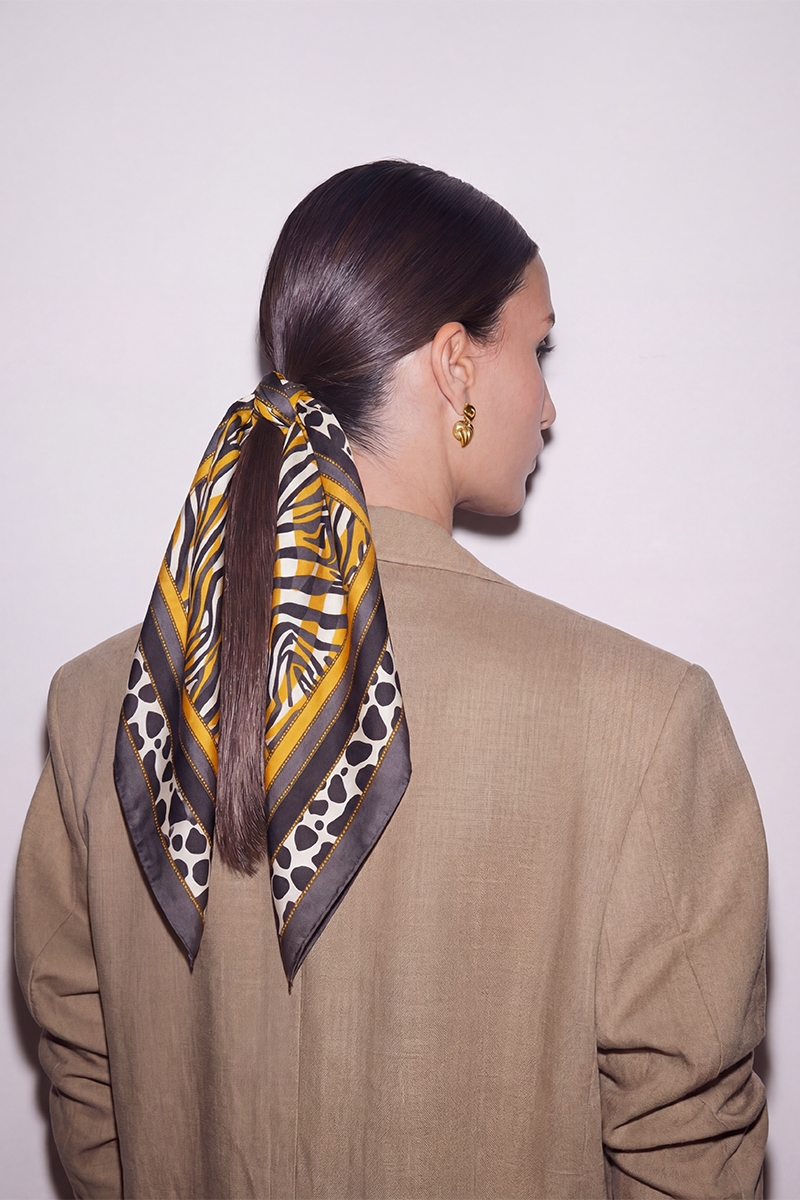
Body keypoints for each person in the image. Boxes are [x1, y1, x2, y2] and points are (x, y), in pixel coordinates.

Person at [15, 161, 767, 1200]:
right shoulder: (642, 722)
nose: (547, 404)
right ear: (456, 364)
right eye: (537, 349)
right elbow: (686, 1150)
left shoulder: (100, 704)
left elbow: (91, 1091)